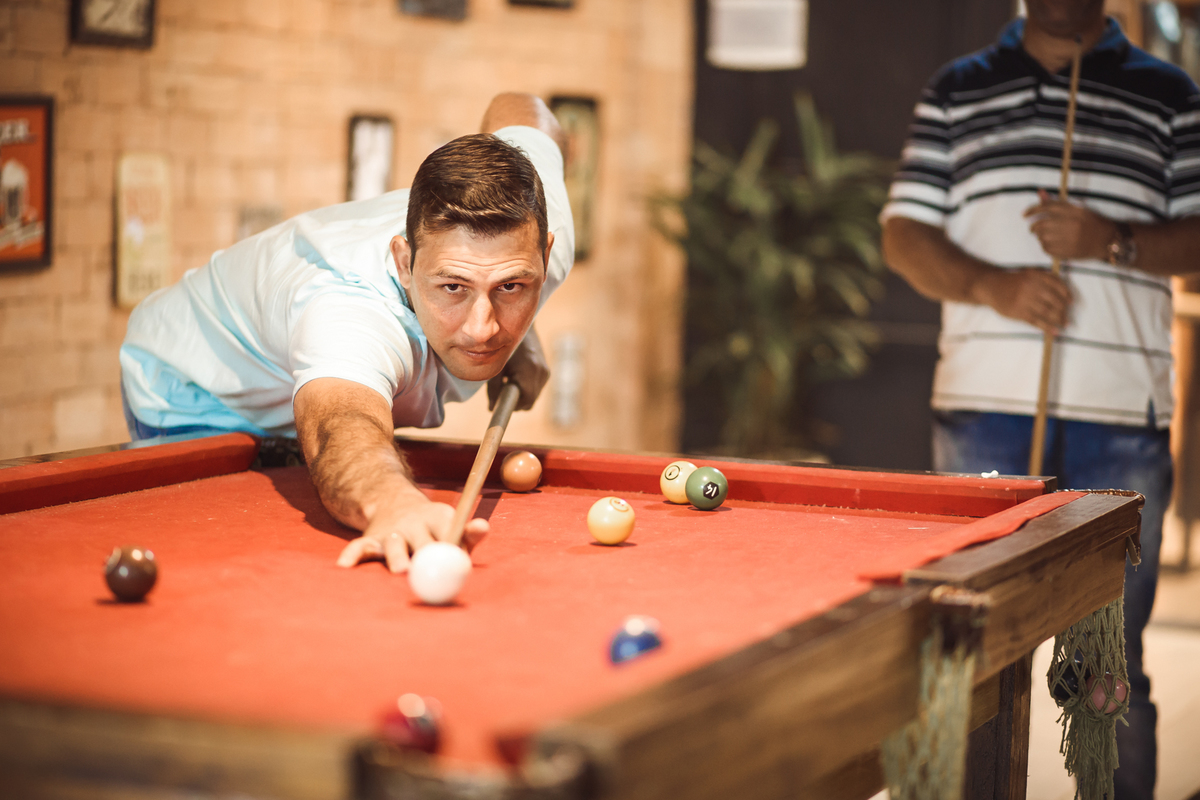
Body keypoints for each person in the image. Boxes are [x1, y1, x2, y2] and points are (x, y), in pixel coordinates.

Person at [881, 3, 1200, 796]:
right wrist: (993, 285)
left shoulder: (1171, 92)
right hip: (981, 407)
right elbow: (904, 234)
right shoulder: (957, 88)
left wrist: (1111, 241)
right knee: (973, 648)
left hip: (1121, 412)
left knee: (1110, 658)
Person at [119, 93, 573, 575]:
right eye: (453, 287)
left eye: (511, 286)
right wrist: (390, 502)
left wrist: (525, 327)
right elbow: (340, 426)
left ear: (544, 256)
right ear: (404, 263)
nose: (483, 328)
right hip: (197, 388)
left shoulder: (546, 229)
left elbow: (519, 108)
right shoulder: (348, 310)